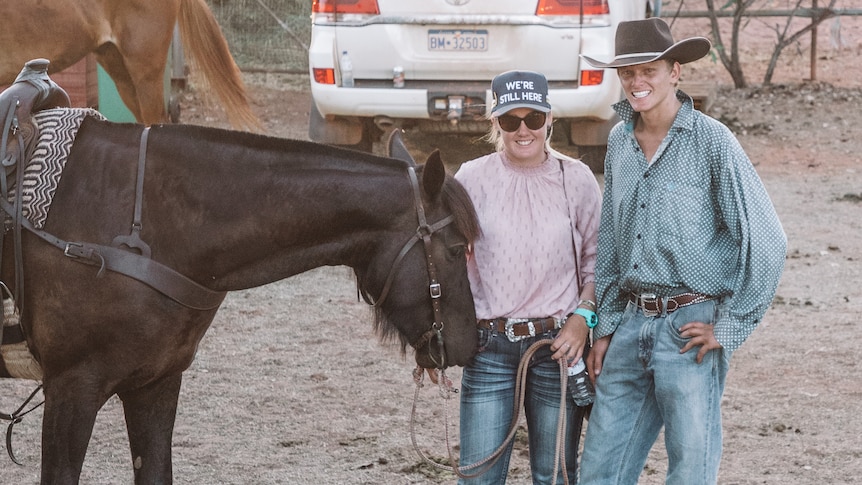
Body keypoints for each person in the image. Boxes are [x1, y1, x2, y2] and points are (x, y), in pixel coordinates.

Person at [577, 18, 787, 484]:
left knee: (690, 469)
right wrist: (606, 328)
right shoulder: (618, 141)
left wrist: (730, 326)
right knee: (598, 472)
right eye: (627, 72)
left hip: (689, 328)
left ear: (675, 72)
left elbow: (767, 239)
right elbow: (611, 239)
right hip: (630, 325)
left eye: (648, 69)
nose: (636, 82)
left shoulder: (713, 141)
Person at [454, 70, 602, 484]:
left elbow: (598, 260)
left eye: (533, 119)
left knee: (555, 475)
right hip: (489, 348)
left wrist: (582, 319)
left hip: (557, 347)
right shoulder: (470, 178)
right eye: (510, 120)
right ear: (494, 123)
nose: (523, 130)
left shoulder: (576, 179)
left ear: (549, 119)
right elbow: (447, 261)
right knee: (478, 475)